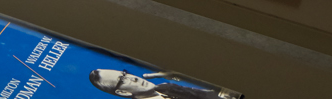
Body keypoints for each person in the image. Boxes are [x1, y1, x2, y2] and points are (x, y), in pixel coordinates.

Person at [90, 69, 236, 99]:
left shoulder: (167, 87)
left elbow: (211, 96)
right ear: (123, 92)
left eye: (125, 73)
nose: (132, 78)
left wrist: (185, 76)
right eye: (122, 80)